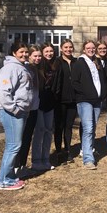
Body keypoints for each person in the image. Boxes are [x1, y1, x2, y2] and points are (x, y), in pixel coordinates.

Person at [0, 41, 33, 190]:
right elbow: (3, 92)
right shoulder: (10, 68)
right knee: (13, 146)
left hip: (20, 112)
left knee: (14, 145)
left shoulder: (22, 67)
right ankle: (3, 181)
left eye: (25, 52)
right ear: (14, 53)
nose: (24, 54)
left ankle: (9, 176)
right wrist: (15, 109)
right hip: (11, 113)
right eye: (21, 52)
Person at [72, 40, 106, 170]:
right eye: (88, 48)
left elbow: (101, 79)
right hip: (85, 101)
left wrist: (102, 94)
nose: (91, 50)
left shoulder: (97, 62)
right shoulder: (79, 63)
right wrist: (85, 93)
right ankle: (88, 159)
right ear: (84, 49)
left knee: (93, 127)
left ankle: (89, 150)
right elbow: (75, 82)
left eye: (93, 48)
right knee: (88, 128)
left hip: (97, 100)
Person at [31, 42, 56, 172]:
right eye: (46, 52)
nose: (49, 54)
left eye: (51, 51)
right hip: (38, 104)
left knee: (48, 131)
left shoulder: (54, 65)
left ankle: (46, 159)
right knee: (40, 131)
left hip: (50, 103)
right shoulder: (36, 67)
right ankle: (36, 160)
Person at [16, 44, 41, 173]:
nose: (37, 58)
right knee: (20, 139)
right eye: (35, 56)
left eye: (39, 56)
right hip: (24, 109)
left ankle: (22, 165)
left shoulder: (35, 69)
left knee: (27, 138)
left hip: (34, 108)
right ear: (29, 56)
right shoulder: (24, 68)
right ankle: (16, 166)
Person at [53, 39, 76, 164]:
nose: (68, 49)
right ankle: (58, 152)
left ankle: (68, 151)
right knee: (59, 127)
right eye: (66, 47)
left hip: (73, 100)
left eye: (70, 47)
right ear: (61, 48)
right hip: (60, 100)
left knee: (68, 127)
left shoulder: (76, 61)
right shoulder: (57, 62)